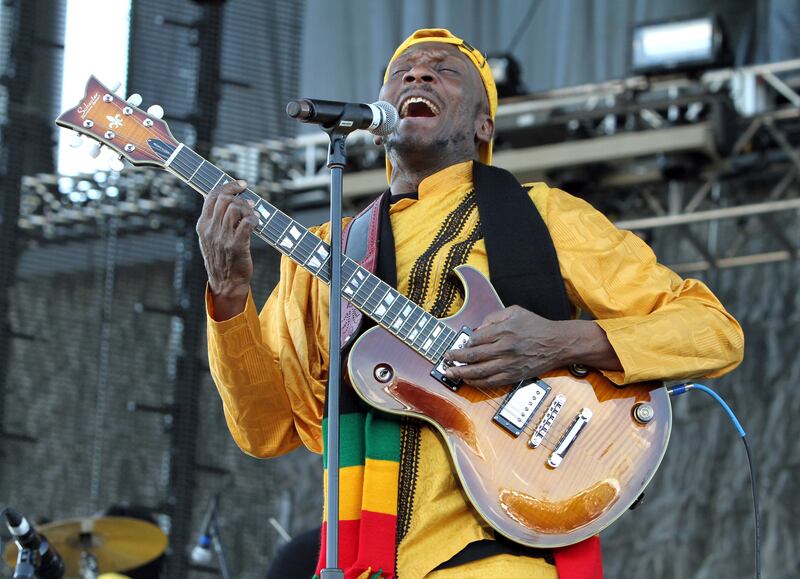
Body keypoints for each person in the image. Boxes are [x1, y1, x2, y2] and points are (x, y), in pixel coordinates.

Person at [196, 28, 744, 579]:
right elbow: (264, 431)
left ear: (483, 125)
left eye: (445, 70)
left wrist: (556, 342)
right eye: (403, 71)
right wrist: (228, 296)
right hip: (364, 565)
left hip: (502, 559)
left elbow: (712, 329)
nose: (418, 74)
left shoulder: (545, 215)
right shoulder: (325, 252)